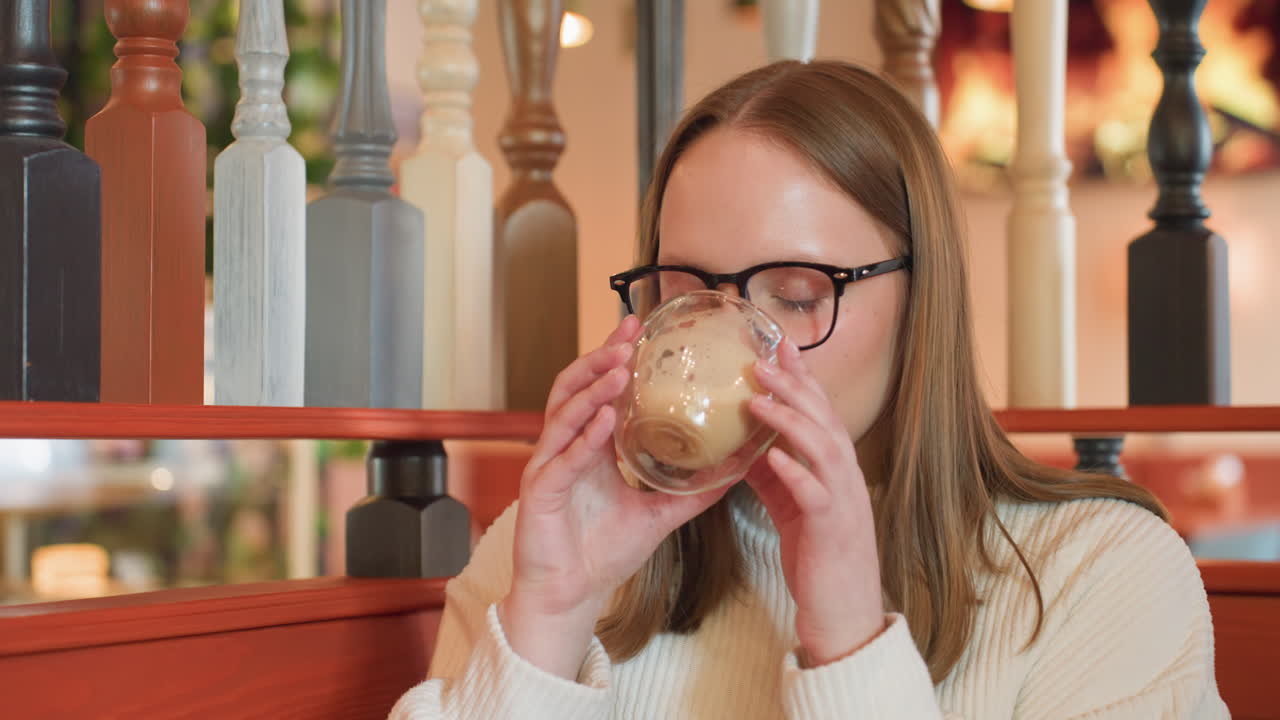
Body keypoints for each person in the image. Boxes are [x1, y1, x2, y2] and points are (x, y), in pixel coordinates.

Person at [390, 60, 1228, 719]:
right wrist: (550, 615)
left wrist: (849, 640)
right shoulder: (552, 545)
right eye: (685, 293)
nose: (731, 347)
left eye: (795, 294)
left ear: (920, 300)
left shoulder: (1100, 574)